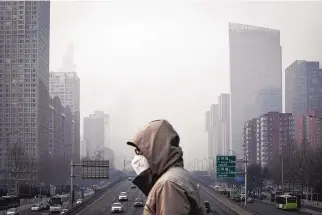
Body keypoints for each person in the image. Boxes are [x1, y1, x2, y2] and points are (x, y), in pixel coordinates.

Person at [127, 119, 206, 215]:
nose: (137, 156)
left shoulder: (169, 184)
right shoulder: (176, 176)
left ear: (155, 149)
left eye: (138, 151)